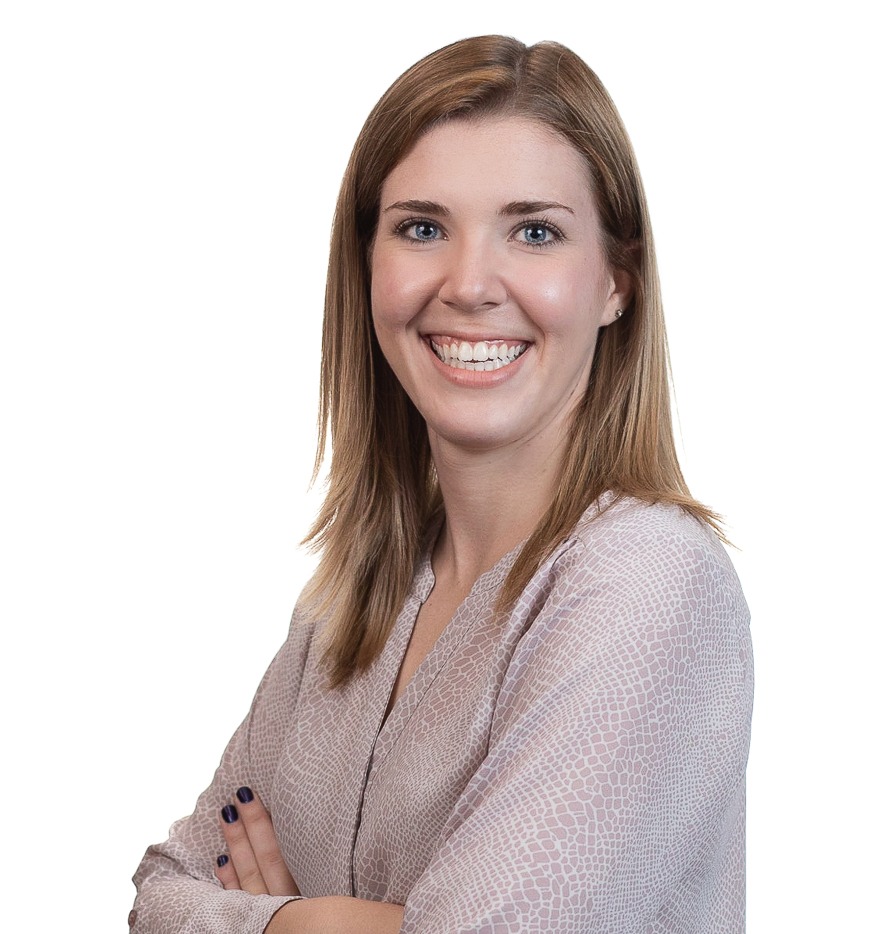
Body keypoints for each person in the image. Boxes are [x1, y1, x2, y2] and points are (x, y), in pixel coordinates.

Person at [130, 35, 752, 934]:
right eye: (423, 228)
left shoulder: (647, 581)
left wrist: (275, 918)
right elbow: (161, 889)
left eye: (534, 232)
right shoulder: (350, 602)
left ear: (618, 281)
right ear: (368, 265)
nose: (468, 284)